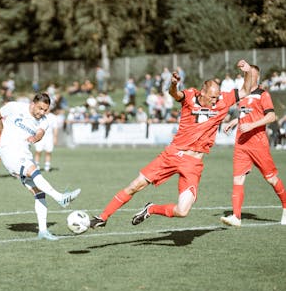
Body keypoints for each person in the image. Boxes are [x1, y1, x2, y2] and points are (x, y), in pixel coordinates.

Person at [90, 59, 253, 229]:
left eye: (217, 95)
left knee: (182, 211)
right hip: (173, 154)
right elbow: (175, 94)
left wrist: (247, 71)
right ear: (202, 93)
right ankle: (103, 217)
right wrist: (174, 84)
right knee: (135, 185)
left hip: (193, 164)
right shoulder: (190, 96)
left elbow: (245, 90)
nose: (216, 99)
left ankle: (151, 209)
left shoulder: (223, 100)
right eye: (212, 96)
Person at [0, 93, 81, 241]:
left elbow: (40, 133)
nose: (42, 112)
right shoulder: (14, 107)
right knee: (33, 171)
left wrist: (34, 138)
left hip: (24, 154)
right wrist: (3, 135)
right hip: (9, 151)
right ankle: (60, 198)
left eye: (45, 110)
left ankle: (43, 231)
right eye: (40, 108)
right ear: (32, 104)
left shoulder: (44, 120)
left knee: (39, 192)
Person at [220, 65, 286, 226]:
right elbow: (246, 115)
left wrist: (252, 126)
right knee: (238, 179)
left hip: (258, 144)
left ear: (258, 77)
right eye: (246, 74)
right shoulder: (242, 95)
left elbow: (271, 116)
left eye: (251, 74)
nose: (248, 76)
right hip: (241, 143)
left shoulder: (263, 95)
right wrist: (234, 122)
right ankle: (236, 217)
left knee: (271, 178)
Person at [34, 107, 59, 172]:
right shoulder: (39, 115)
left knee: (48, 152)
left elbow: (55, 128)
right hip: (39, 136)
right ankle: (37, 166)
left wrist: (55, 138)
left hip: (49, 137)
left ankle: (47, 166)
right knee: (38, 151)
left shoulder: (53, 117)